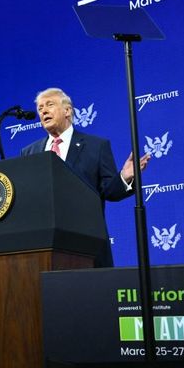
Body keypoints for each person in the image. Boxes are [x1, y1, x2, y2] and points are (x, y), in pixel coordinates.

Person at [21, 87, 149, 267]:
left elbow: (109, 192)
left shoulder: (96, 146)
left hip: (87, 245)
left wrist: (124, 177)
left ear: (67, 110)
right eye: (40, 108)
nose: (43, 111)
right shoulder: (29, 152)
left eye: (49, 105)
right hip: (45, 247)